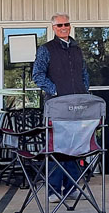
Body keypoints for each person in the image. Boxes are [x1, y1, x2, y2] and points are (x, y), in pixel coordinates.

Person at [32, 13, 90, 202]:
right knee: (57, 147)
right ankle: (53, 190)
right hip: (57, 107)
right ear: (53, 28)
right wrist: (56, 92)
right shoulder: (46, 49)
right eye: (59, 25)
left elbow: (84, 73)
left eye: (66, 24)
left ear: (70, 26)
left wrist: (84, 92)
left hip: (77, 106)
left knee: (74, 146)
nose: (63, 27)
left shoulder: (77, 49)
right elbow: (38, 75)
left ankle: (72, 188)